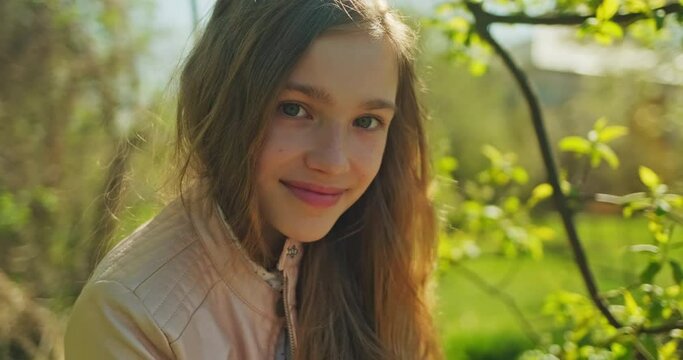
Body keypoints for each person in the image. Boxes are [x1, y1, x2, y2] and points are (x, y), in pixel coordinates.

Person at [64, 0, 442, 359]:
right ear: (224, 102)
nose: (333, 161)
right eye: (294, 110)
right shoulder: (132, 317)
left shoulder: (373, 247)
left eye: (367, 122)